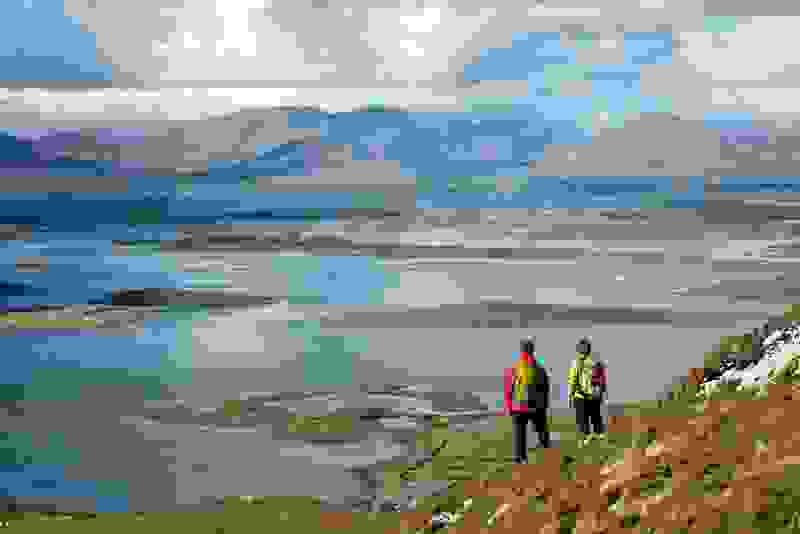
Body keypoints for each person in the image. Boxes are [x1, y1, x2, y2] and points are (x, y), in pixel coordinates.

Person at [503, 337, 551, 464]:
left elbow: (508, 388)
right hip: (536, 406)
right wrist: (544, 404)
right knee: (542, 430)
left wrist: (509, 406)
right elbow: (545, 387)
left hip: (518, 407)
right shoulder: (538, 368)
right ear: (532, 350)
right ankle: (548, 454)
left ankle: (520, 458)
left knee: (519, 434)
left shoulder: (514, 368)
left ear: (521, 350)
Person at [567, 337, 607, 445]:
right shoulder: (597, 361)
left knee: (582, 419)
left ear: (579, 349)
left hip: (580, 395)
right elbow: (602, 377)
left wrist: (570, 393)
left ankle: (585, 439)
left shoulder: (576, 362)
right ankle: (599, 435)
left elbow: (573, 379)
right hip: (594, 395)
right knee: (596, 416)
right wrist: (602, 391)